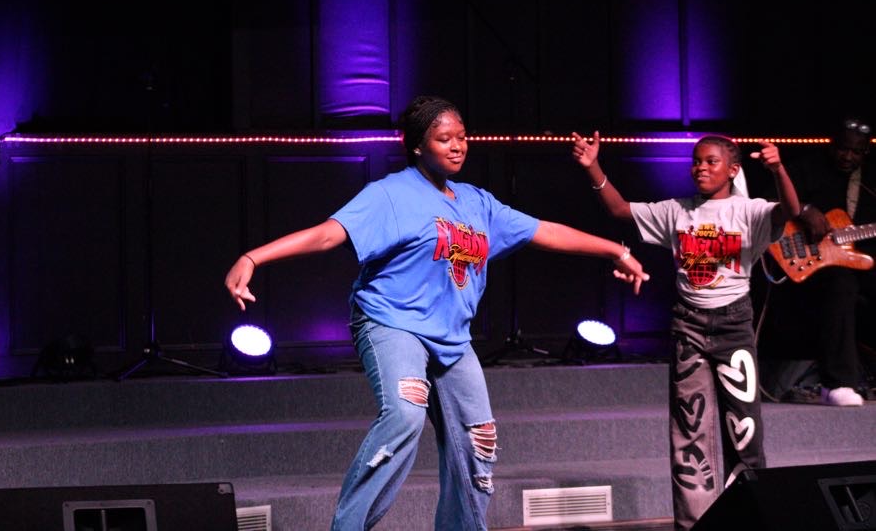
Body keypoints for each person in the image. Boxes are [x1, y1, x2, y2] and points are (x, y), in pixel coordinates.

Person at [224, 96, 650, 531]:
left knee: (479, 439)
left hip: (451, 338)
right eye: (444, 139)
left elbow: (546, 231)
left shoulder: (477, 203)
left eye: (462, 137)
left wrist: (615, 251)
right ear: (417, 146)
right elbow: (327, 235)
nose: (457, 146)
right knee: (405, 414)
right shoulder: (391, 194)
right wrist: (253, 257)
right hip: (392, 323)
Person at [572, 132, 800, 531]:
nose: (701, 168)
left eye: (711, 162)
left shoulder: (749, 211)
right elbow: (620, 209)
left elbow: (790, 212)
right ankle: (695, 523)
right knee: (689, 430)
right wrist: (593, 166)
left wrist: (778, 169)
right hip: (688, 325)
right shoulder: (677, 210)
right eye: (696, 161)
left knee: (743, 429)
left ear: (733, 170)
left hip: (733, 327)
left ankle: (749, 518)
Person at [778, 118, 876, 406]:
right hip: (812, 265)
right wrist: (804, 209)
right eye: (843, 149)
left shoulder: (870, 179)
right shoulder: (807, 168)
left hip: (862, 261)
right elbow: (766, 202)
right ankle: (838, 383)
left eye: (856, 152)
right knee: (841, 284)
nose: (848, 156)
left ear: (866, 152)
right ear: (831, 145)